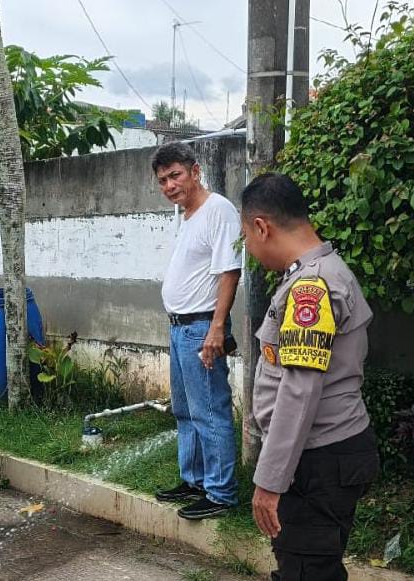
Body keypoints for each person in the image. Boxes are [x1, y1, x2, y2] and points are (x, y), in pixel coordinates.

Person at [240, 172, 380, 580]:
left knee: (306, 572)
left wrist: (270, 481)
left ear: (262, 227)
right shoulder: (314, 273)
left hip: (318, 460)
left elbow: (299, 390)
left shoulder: (311, 286)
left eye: (246, 237)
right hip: (323, 455)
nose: (250, 248)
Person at [151, 141, 242, 520]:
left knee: (210, 411)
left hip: (202, 327)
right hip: (180, 328)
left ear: (195, 171)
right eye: (163, 180)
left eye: (175, 176)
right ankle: (196, 480)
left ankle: (221, 493)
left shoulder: (218, 210)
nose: (170, 185)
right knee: (186, 411)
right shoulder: (187, 215)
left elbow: (230, 272)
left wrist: (217, 328)